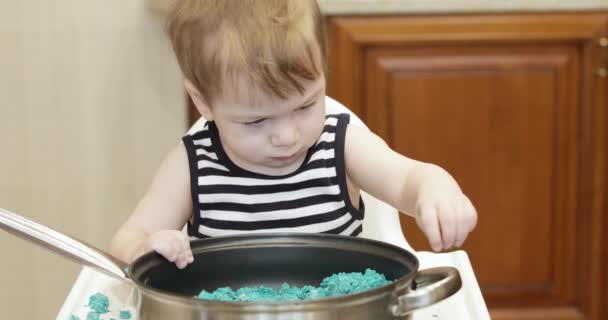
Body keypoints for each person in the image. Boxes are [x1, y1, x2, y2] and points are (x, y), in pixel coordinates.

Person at [109, 0, 477, 269]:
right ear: (203, 101)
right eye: (256, 122)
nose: (287, 136)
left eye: (305, 106)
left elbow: (409, 180)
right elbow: (125, 241)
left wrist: (435, 189)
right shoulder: (192, 166)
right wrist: (148, 249)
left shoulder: (341, 145)